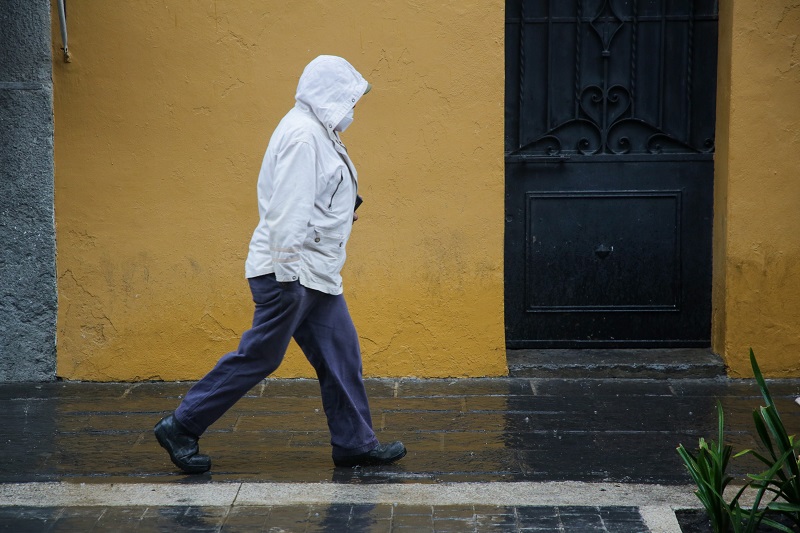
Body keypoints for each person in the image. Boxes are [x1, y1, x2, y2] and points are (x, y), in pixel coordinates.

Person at [154, 55, 406, 474]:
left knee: (341, 355)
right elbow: (286, 212)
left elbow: (313, 197)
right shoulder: (304, 136)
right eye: (349, 98)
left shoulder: (318, 132)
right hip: (290, 272)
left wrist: (339, 214)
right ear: (329, 94)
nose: (354, 108)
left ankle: (354, 444)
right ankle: (181, 426)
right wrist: (287, 276)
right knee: (260, 356)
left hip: (316, 272)